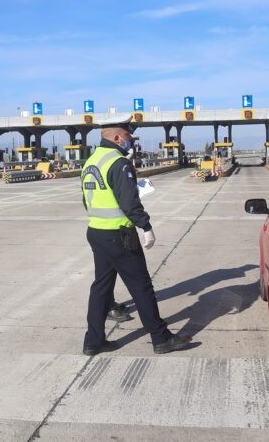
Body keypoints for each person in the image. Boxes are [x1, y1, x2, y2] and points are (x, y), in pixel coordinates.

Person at [80, 114, 192, 356]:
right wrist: (146, 226)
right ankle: (161, 338)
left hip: (96, 231)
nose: (130, 139)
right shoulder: (118, 163)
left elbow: (86, 199)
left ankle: (93, 341)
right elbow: (129, 202)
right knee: (141, 287)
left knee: (101, 287)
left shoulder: (92, 161)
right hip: (119, 234)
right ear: (117, 137)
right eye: (128, 135)